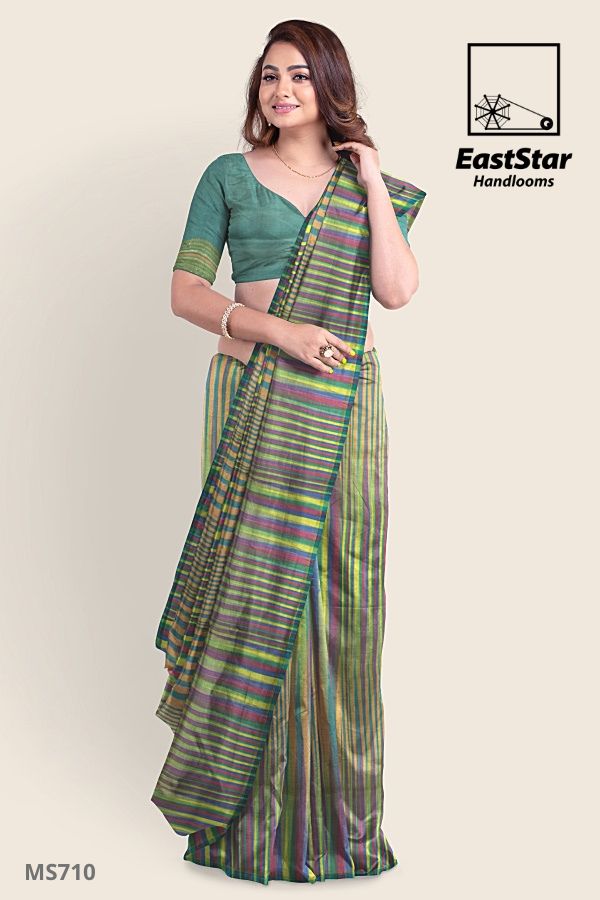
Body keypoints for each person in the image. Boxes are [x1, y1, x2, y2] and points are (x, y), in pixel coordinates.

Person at [151, 18, 426, 885]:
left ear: (330, 86)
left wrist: (371, 178)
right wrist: (281, 332)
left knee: (344, 596)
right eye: (270, 75)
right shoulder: (228, 176)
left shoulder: (360, 186)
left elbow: (397, 291)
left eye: (300, 76)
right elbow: (185, 292)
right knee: (252, 592)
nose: (281, 90)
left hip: (344, 410)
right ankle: (242, 823)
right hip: (253, 394)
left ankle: (341, 826)